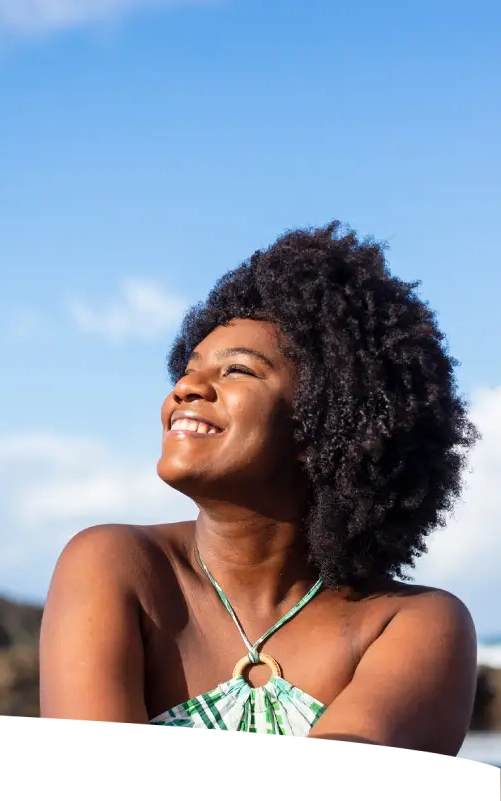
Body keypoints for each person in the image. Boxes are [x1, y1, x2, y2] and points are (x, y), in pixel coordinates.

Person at [40, 220, 479, 755]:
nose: (186, 387)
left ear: (323, 428)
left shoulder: (410, 625)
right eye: (189, 367)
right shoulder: (116, 566)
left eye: (239, 372)